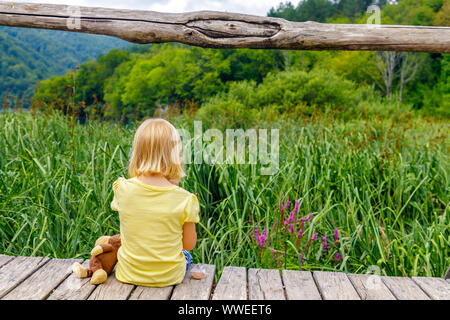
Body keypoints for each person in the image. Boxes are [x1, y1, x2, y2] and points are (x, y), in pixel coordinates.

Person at [111, 118, 199, 287]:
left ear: (137, 152)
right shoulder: (185, 199)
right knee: (187, 256)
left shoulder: (122, 188)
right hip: (169, 278)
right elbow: (188, 245)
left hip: (128, 273)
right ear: (175, 155)